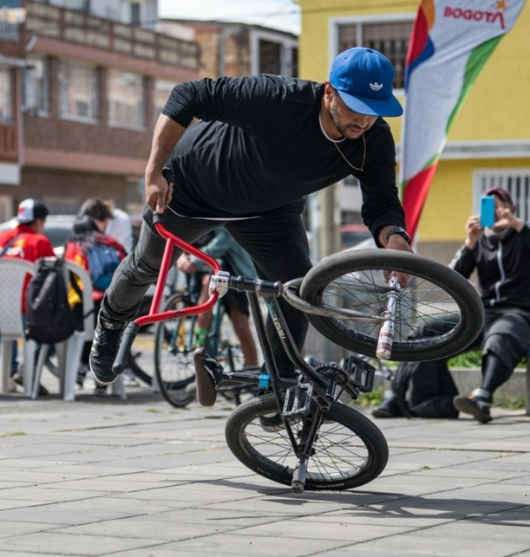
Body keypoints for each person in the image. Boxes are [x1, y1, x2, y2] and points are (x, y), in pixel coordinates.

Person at [89, 47, 414, 411]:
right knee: (146, 266)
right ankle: (111, 325)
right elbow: (189, 95)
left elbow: (382, 201)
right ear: (329, 92)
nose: (364, 120)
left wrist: (396, 240)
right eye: (356, 106)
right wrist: (153, 171)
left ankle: (274, 388)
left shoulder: (374, 141)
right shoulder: (279, 99)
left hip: (269, 211)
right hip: (195, 188)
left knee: (295, 287)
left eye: (375, 110)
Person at [448, 186, 530, 423]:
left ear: (512, 209)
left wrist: (518, 225)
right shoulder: (479, 240)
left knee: (500, 335)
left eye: (501, 206)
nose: (496, 211)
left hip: (520, 314)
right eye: (490, 206)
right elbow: (452, 279)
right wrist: (470, 242)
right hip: (484, 314)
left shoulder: (525, 231)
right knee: (429, 332)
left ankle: (483, 398)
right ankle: (419, 400)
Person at [65, 199, 127, 394]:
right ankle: (101, 378)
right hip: (108, 308)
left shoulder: (72, 246)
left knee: (87, 329)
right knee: (108, 329)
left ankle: (80, 370)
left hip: (74, 312)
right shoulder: (112, 244)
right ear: (98, 220)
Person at [175, 227, 259, 367]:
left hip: (230, 266)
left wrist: (195, 258)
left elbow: (226, 240)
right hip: (200, 263)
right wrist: (180, 255)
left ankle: (253, 371)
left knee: (240, 324)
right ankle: (201, 339)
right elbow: (175, 234)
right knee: (207, 284)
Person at [0, 198, 56, 387]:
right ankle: (27, 371)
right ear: (38, 221)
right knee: (57, 332)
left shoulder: (1, 238)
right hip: (29, 313)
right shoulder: (40, 242)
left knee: (8, 334)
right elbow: (55, 275)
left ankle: (12, 369)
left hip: (0, 312)